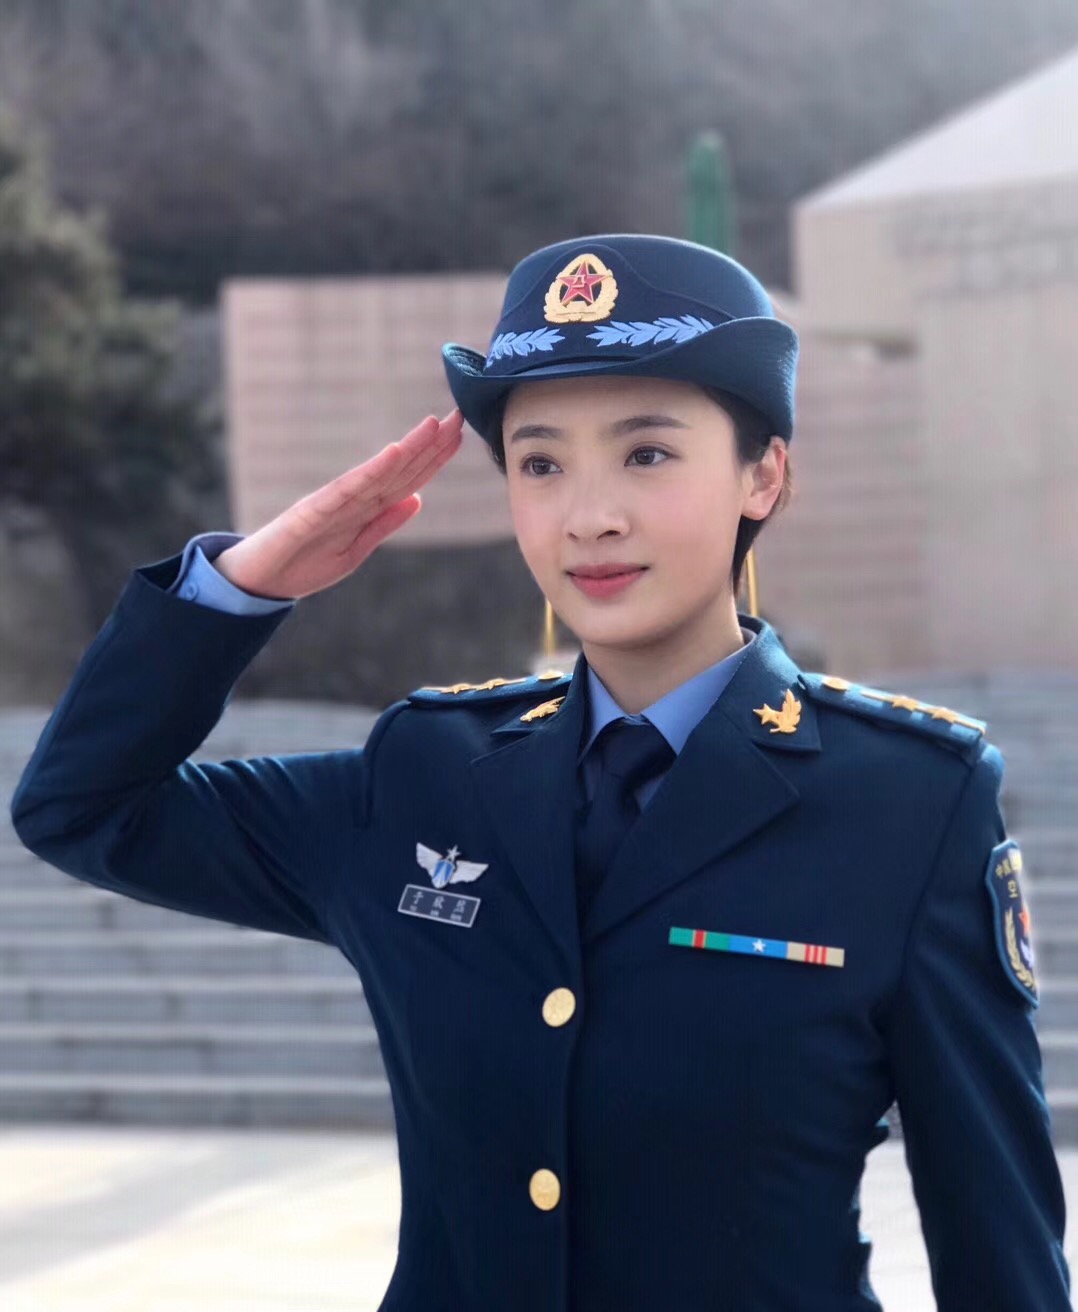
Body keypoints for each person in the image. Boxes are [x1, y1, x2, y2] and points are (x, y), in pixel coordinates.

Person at [9, 233, 1070, 1310]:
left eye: (646, 454)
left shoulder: (908, 802)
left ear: (763, 474)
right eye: (541, 464)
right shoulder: (426, 775)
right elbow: (82, 807)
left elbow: (999, 1248)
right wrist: (239, 590)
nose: (588, 516)